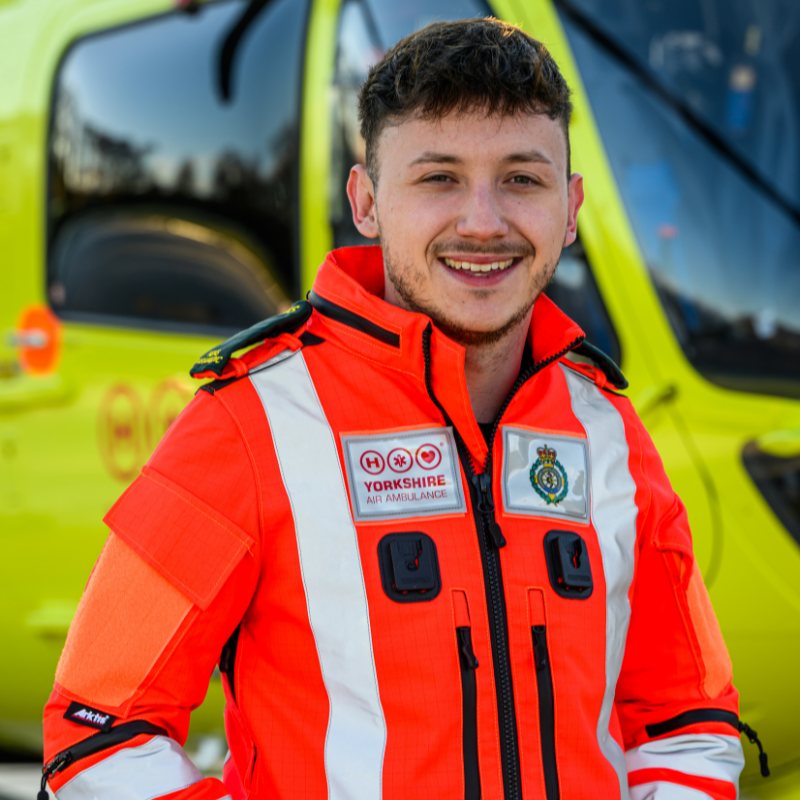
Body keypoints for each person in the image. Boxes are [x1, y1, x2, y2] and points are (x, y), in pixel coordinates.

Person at [42, 18, 749, 800]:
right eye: (438, 177)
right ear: (367, 201)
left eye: (522, 178)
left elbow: (689, 722)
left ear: (571, 206)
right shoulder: (250, 422)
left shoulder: (608, 431)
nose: (483, 221)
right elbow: (96, 734)